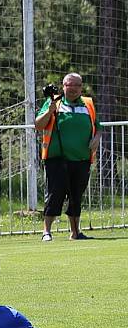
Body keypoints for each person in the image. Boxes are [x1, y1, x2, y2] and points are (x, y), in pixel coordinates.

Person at [35, 72, 101, 242]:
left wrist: (97, 138)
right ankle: (47, 232)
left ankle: (75, 232)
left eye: (77, 85)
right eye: (69, 85)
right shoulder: (53, 102)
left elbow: (97, 126)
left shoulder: (88, 104)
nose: (73, 89)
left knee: (76, 196)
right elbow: (39, 125)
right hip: (56, 159)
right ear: (63, 86)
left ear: (81, 87)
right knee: (55, 194)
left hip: (82, 159)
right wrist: (49, 112)